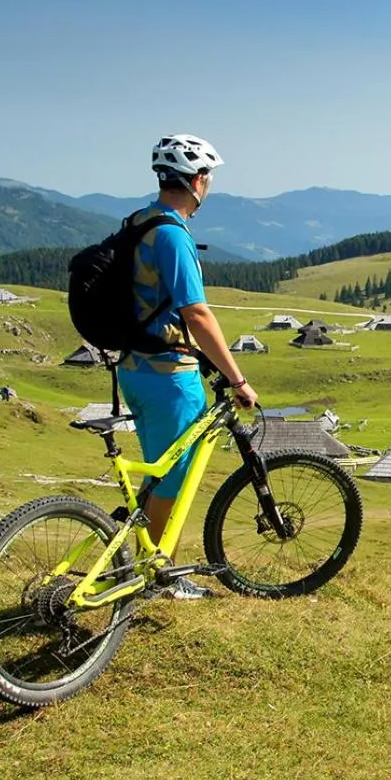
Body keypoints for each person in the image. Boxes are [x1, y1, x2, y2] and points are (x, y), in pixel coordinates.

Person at [117, 134, 259, 599]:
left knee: (159, 472)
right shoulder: (173, 235)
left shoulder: (138, 221)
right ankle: (157, 579)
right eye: (209, 178)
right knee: (173, 482)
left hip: (132, 369)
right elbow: (197, 314)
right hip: (169, 376)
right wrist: (237, 378)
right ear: (198, 181)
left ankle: (139, 562)